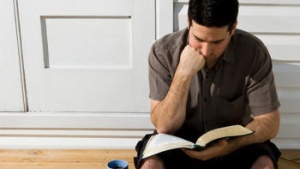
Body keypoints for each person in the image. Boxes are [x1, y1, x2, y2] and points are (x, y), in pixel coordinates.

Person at [134, 0, 281, 168]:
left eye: (217, 42)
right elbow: (164, 126)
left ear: (232, 29)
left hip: (233, 144)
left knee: (265, 164)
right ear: (188, 22)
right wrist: (183, 73)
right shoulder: (163, 52)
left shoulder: (253, 53)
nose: (205, 51)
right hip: (179, 143)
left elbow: (270, 123)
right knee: (150, 163)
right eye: (198, 39)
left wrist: (230, 145)